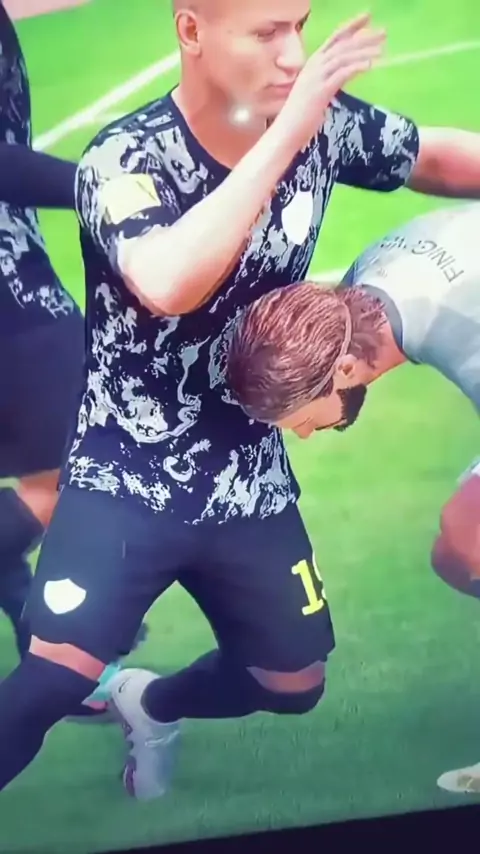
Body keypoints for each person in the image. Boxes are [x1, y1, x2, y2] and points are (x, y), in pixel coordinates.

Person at [2, 0, 480, 801]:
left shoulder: (318, 124)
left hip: (248, 476)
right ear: (191, 30)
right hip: (126, 473)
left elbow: (430, 156)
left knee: (293, 683)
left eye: (299, 25)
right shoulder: (125, 156)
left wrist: (303, 126)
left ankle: (151, 704)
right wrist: (288, 135)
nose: (293, 54)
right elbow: (167, 281)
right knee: (53, 679)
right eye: (267, 32)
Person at [226, 201, 480, 794]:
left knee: (468, 540)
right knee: (457, 554)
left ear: (342, 369)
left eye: (301, 420)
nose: (306, 434)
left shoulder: (461, 333)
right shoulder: (353, 297)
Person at [0, 0, 146, 720]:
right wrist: (100, 188)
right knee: (70, 475)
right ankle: (66, 648)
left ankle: (58, 656)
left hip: (17, 283)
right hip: (12, 301)